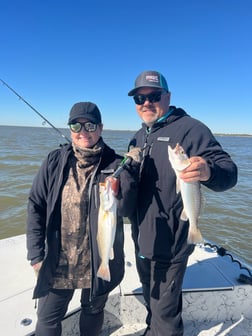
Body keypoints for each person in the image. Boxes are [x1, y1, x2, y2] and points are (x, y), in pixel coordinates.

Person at [127, 70, 238, 336]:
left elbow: (229, 172)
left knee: (166, 311)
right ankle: (150, 330)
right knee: (151, 296)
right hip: (142, 236)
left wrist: (208, 170)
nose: (146, 103)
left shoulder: (191, 129)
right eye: (139, 98)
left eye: (153, 96)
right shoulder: (139, 136)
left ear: (168, 96)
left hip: (172, 239)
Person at [26, 102, 141, 336]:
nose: (83, 131)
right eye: (76, 125)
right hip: (60, 258)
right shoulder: (54, 161)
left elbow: (129, 210)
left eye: (90, 125)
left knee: (93, 310)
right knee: (47, 318)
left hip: (98, 259)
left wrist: (129, 179)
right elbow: (35, 205)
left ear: (100, 128)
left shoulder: (116, 165)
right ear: (69, 129)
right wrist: (36, 254)